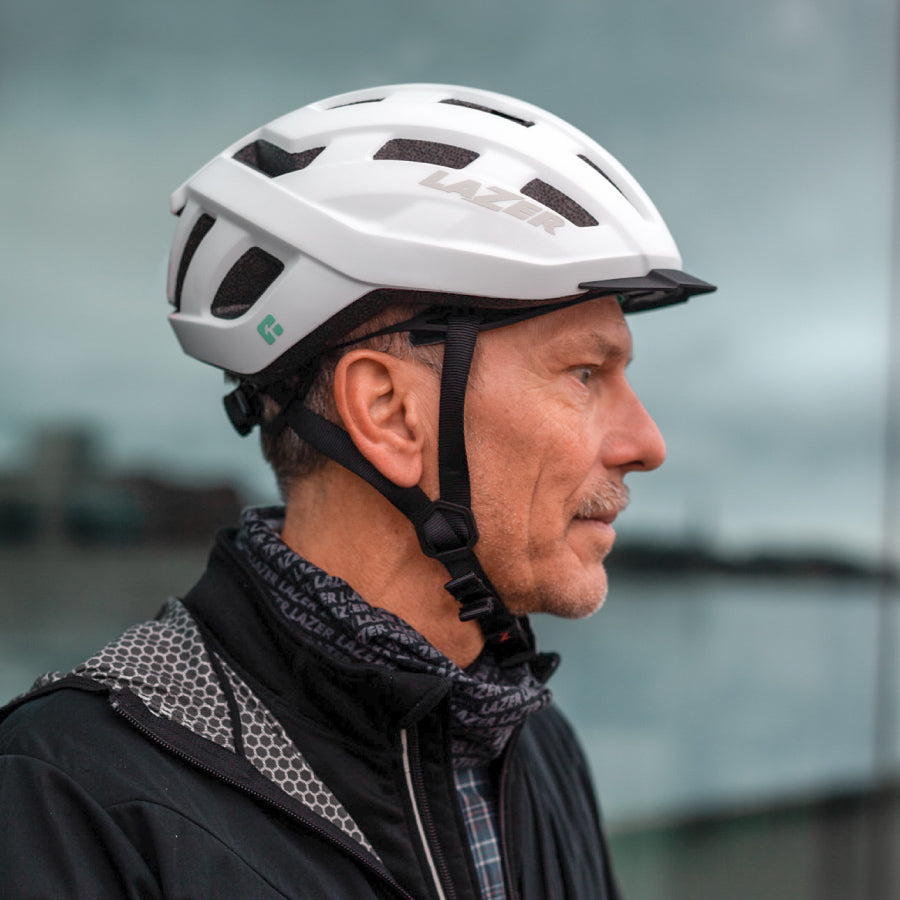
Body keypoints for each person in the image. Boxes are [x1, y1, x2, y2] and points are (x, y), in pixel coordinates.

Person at [0, 84, 715, 898]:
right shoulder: (74, 797)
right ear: (389, 413)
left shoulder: (534, 747)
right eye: (584, 373)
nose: (646, 445)